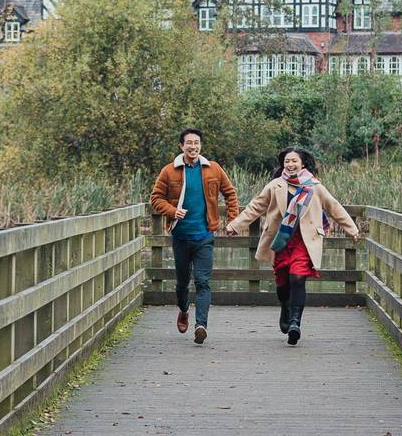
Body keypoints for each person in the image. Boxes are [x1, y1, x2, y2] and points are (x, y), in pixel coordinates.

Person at [225, 147, 360, 345]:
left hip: (305, 240)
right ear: (283, 164)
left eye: (294, 161)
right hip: (280, 239)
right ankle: (285, 308)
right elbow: (256, 206)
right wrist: (235, 225)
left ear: (303, 163)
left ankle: (295, 322)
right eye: (287, 161)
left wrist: (352, 228)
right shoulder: (275, 185)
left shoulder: (314, 187)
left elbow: (334, 206)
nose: (290, 164)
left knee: (298, 277)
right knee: (282, 282)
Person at [151, 128, 239, 344]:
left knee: (202, 281)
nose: (193, 147)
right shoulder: (169, 171)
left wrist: (233, 219)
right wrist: (172, 211)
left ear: (201, 145)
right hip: (180, 236)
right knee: (182, 283)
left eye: (197, 143)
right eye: (189, 143)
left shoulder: (213, 169)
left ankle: (201, 325)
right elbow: (155, 198)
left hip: (204, 236)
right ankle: (183, 310)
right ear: (181, 146)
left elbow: (230, 193)